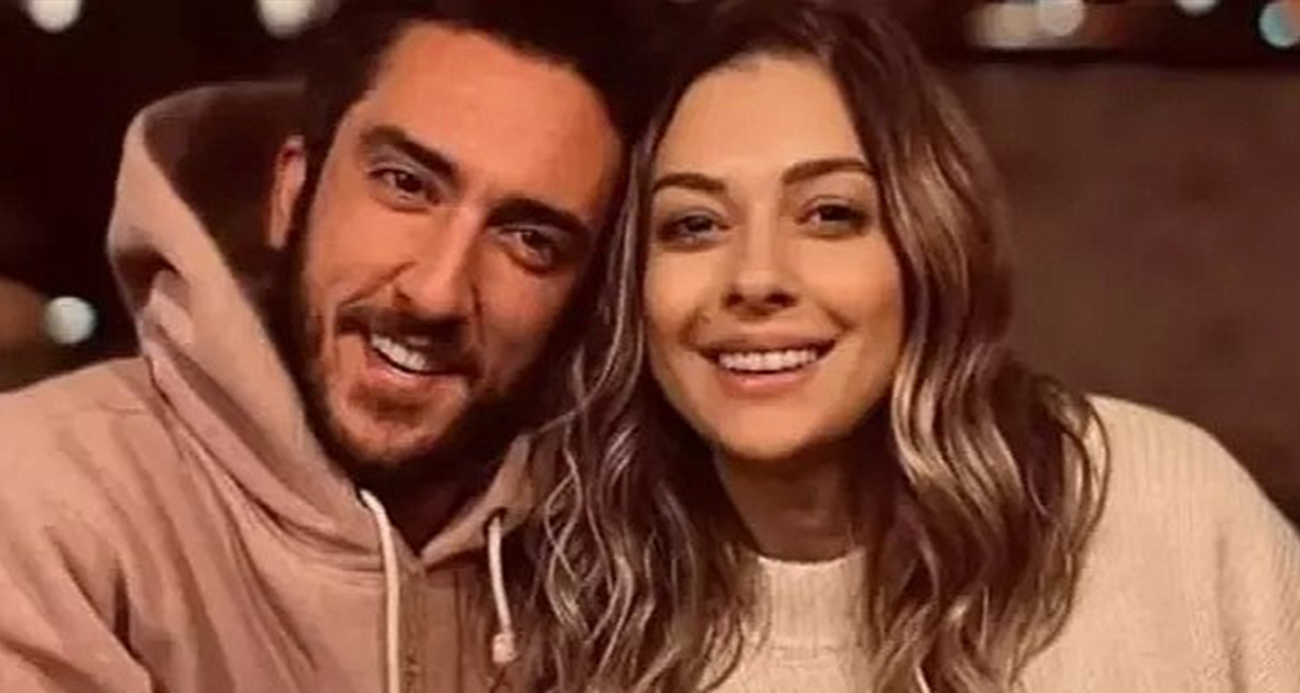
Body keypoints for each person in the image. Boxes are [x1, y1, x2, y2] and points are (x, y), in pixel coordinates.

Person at [524, 1, 1300, 692]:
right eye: (694, 224)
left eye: (830, 214)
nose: (755, 277)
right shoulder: (576, 607)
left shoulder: (1160, 507)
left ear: (927, 246)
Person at [0, 2, 660, 692]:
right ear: (291, 190)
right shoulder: (50, 498)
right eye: (406, 185)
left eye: (529, 240)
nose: (435, 293)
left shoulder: (613, 562)